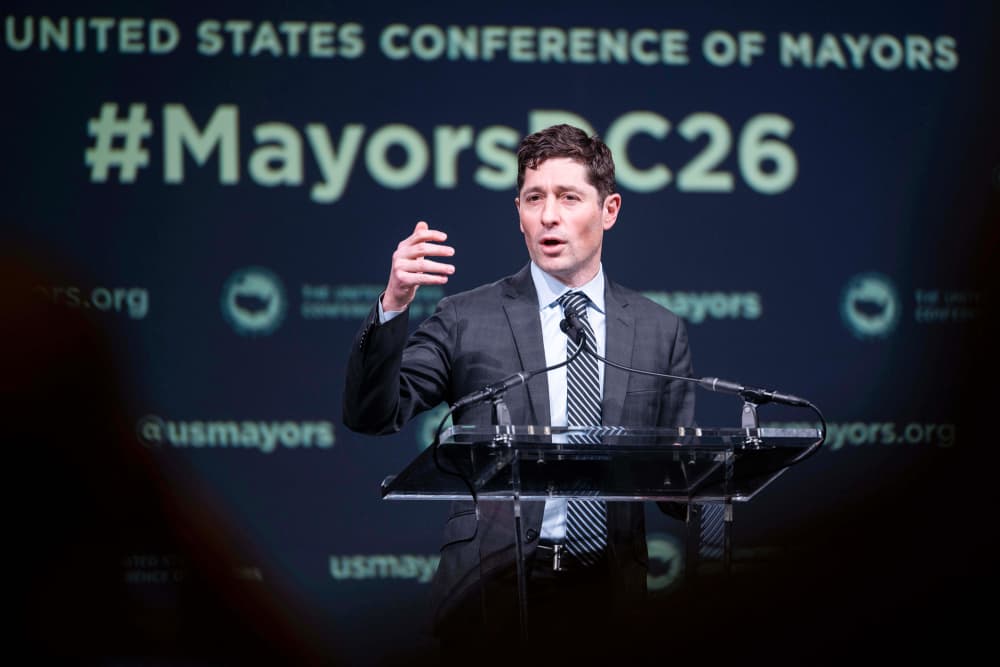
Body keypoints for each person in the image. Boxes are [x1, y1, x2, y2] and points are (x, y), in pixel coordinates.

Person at [343, 124, 696, 661]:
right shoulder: (466, 317)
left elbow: (686, 482)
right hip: (491, 591)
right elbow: (375, 413)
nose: (548, 215)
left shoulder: (658, 330)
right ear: (519, 213)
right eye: (535, 198)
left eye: (568, 197)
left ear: (610, 210)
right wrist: (394, 302)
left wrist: (683, 481)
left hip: (609, 596)